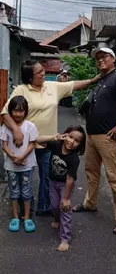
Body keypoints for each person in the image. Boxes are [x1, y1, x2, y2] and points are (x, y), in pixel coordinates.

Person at [1, 60, 100, 216]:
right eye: (39, 72)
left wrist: (94, 79)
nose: (43, 73)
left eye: (43, 70)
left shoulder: (52, 87)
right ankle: (22, 210)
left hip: (48, 144)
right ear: (29, 77)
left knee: (47, 177)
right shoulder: (21, 90)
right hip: (25, 145)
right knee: (22, 177)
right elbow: (5, 112)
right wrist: (16, 130)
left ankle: (44, 207)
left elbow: (74, 85)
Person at [73, 47, 116, 235]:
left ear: (114, 59)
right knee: (91, 172)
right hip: (92, 136)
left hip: (107, 137)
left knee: (114, 177)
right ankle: (90, 203)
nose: (100, 60)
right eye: (98, 58)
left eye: (105, 57)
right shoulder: (100, 80)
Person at [36, 125, 86, 252]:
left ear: (80, 144)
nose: (71, 141)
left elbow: (70, 179)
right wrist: (54, 137)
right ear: (65, 135)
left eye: (76, 140)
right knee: (53, 206)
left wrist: (66, 198)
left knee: (64, 208)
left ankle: (65, 238)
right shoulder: (56, 145)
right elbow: (38, 140)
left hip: (65, 185)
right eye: (70, 137)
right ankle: (57, 219)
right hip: (53, 182)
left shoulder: (73, 158)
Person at [0, 96, 38, 232]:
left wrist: (21, 157)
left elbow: (32, 144)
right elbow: (4, 145)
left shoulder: (30, 126)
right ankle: (15, 217)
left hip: (27, 166)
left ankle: (27, 217)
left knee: (27, 192)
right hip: (11, 166)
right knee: (14, 191)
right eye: (15, 111)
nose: (18, 114)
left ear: (26, 112)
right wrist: (13, 157)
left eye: (21, 111)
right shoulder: (5, 127)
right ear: (10, 111)